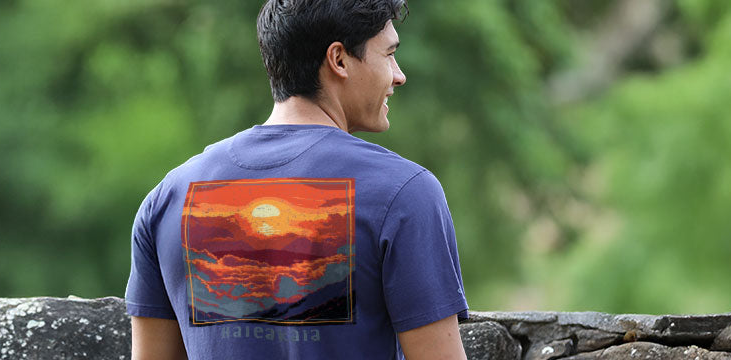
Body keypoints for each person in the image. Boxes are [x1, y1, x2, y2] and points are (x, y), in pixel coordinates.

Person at [122, 0, 470, 358]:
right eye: (389, 55)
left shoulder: (169, 198)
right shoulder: (404, 193)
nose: (399, 75)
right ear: (339, 60)